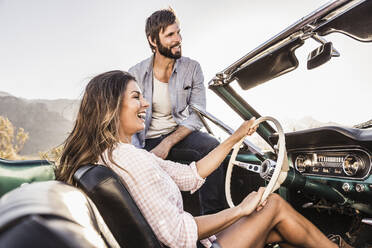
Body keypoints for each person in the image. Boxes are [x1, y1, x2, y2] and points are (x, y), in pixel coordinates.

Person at [57, 70, 352, 248]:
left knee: (279, 231)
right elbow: (177, 233)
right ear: (111, 106)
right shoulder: (131, 160)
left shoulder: (114, 155)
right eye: (136, 97)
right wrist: (240, 211)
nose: (145, 103)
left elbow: (190, 175)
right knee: (273, 204)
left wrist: (234, 139)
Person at [128, 8, 226, 215]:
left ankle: (214, 217)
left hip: (179, 135)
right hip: (145, 142)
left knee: (212, 146)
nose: (178, 39)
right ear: (153, 40)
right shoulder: (134, 74)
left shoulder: (192, 68)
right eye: (170, 35)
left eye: (179, 32)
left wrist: (168, 142)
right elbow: (127, 116)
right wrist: (136, 154)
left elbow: (197, 115)